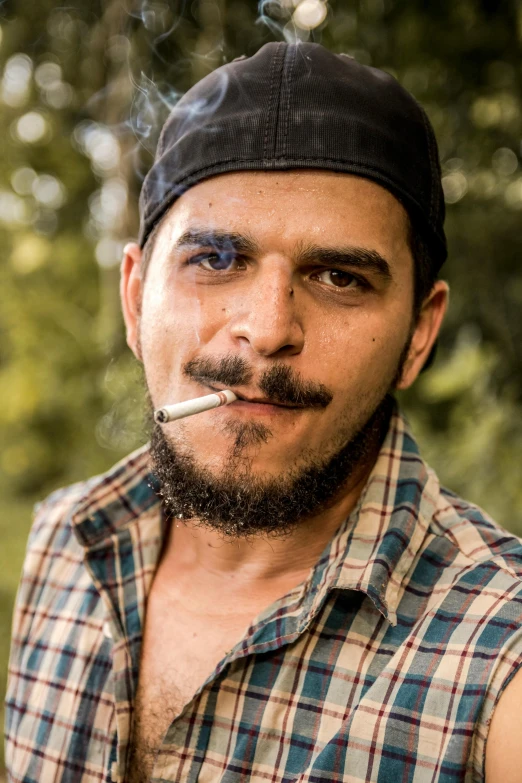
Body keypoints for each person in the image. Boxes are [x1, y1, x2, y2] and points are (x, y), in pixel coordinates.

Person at [5, 42, 522, 783]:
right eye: (216, 260)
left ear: (418, 335)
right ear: (133, 298)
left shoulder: (498, 649)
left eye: (340, 276)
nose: (269, 327)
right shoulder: (66, 542)